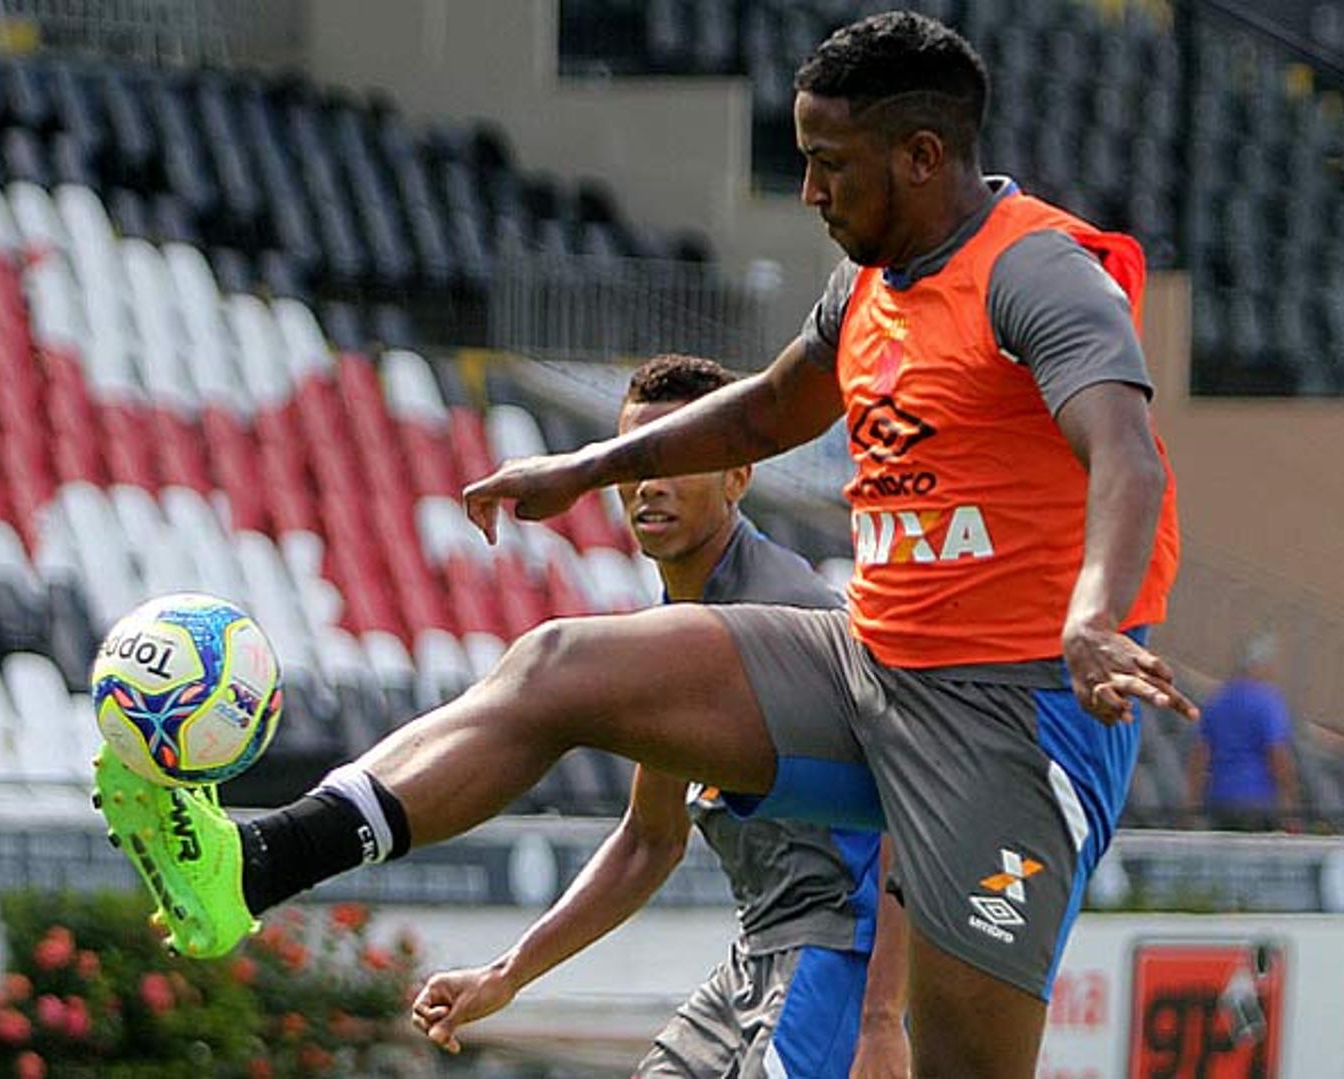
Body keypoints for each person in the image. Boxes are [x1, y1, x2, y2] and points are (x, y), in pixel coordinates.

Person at [93, 12, 1193, 1075]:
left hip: (1017, 715)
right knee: (562, 665)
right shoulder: (867, 282)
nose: (808, 191)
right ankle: (255, 859)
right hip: (874, 668)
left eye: (829, 164)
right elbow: (766, 409)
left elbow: (1126, 453)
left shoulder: (1037, 271)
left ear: (920, 155)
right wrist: (583, 468)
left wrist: (1094, 615)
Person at [412, 354, 910, 1078]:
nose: (649, 482)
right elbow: (650, 839)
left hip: (841, 956)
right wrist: (507, 974)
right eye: (637, 461)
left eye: (678, 456)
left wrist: (882, 1018)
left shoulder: (788, 614)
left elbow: (914, 805)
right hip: (758, 953)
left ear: (739, 476)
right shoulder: (682, 634)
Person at [1186, 634, 1297, 831]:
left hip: (1219, 799)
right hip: (1257, 800)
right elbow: (1276, 755)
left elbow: (1200, 755)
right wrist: (1288, 803)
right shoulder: (1268, 702)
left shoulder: (1217, 701)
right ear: (1261, 665)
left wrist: (1191, 803)